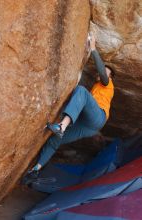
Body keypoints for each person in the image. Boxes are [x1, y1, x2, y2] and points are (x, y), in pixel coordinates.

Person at [30, 35, 115, 173]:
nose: (102, 72)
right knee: (55, 139)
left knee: (81, 91)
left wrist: (93, 48)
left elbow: (103, 76)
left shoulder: (108, 85)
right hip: (89, 126)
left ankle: (61, 126)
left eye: (106, 72)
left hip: (98, 117)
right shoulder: (96, 87)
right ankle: (36, 169)